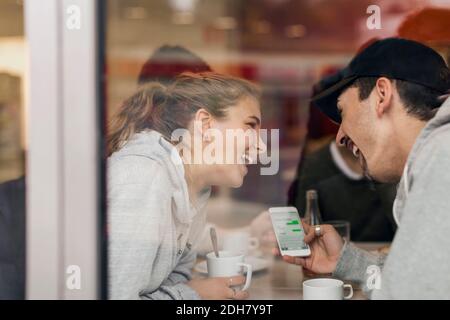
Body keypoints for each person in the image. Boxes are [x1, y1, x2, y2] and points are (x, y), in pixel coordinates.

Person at [278, 37, 450, 299]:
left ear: (382, 94)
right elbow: (414, 282)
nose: (339, 137)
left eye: (342, 111)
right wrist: (345, 261)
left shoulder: (441, 156)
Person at [107, 72, 266, 300]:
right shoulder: (144, 178)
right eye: (250, 126)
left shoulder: (194, 186)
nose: (260, 146)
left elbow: (175, 278)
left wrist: (190, 293)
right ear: (205, 124)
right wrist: (192, 295)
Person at [288, 75, 397, 242]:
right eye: (339, 114)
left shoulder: (389, 163)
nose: (342, 133)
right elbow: (302, 230)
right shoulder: (316, 165)